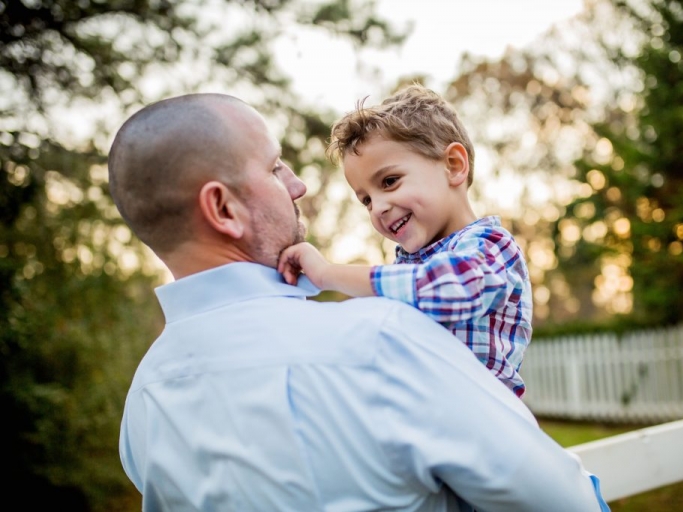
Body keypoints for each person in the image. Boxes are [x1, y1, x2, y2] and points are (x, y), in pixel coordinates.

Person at [110, 92, 609, 511]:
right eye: (275, 167)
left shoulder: (143, 405)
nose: (298, 185)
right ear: (223, 208)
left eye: (388, 182)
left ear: (454, 166)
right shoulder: (378, 339)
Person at [279, 84, 532, 397]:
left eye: (389, 181)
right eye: (366, 200)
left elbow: (451, 290)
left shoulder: (490, 246)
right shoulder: (406, 268)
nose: (379, 207)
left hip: (485, 423)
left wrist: (328, 274)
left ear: (453, 165)